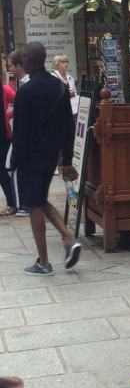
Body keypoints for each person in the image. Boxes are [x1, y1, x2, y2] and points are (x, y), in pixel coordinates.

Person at [11, 42, 82, 276]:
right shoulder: (59, 87)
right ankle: (68, 238)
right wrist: (66, 159)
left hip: (30, 156)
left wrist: (15, 162)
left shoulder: (26, 91)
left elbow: (21, 131)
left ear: (28, 61)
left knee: (33, 204)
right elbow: (67, 127)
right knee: (39, 199)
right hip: (51, 154)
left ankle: (44, 262)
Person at [6, 50, 30, 217]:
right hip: (23, 135)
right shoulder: (22, 84)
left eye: (10, 66)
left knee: (15, 169)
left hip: (24, 136)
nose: (9, 70)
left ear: (19, 66)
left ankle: (24, 204)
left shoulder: (25, 86)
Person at [0, 65, 17, 216]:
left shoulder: (4, 89)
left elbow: (19, 101)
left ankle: (12, 203)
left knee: (1, 170)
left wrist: (7, 116)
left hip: (3, 135)